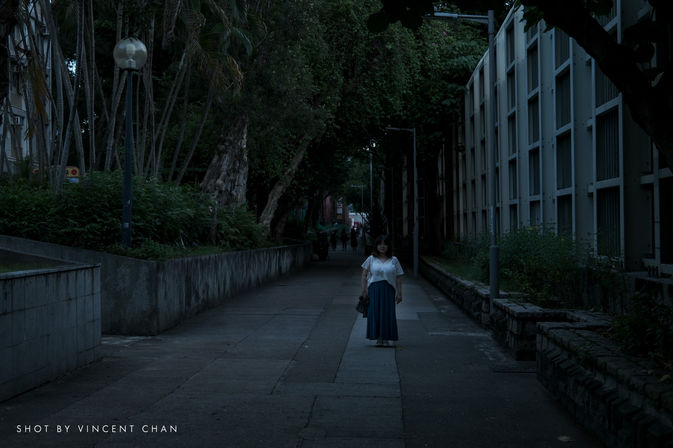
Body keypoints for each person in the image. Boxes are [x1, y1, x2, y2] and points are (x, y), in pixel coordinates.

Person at [360, 235, 404, 347]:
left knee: (388, 313)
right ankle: (378, 338)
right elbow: (364, 275)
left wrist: (400, 293)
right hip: (374, 289)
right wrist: (364, 290)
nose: (382, 246)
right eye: (380, 244)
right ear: (376, 246)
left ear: (389, 246)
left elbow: (399, 277)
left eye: (385, 244)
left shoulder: (394, 260)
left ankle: (386, 338)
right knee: (375, 313)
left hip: (389, 290)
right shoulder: (371, 259)